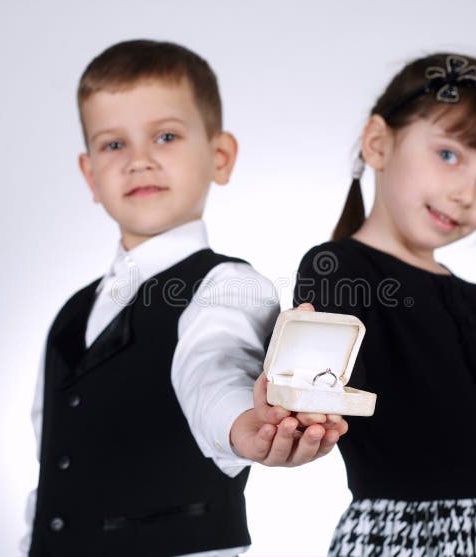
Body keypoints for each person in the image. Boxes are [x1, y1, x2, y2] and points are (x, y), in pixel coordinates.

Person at [23, 39, 346, 557]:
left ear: (220, 157)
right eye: (113, 145)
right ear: (90, 175)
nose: (139, 161)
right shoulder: (70, 316)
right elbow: (56, 464)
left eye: (166, 136)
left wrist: (244, 425)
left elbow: (213, 371)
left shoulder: (227, 287)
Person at [293, 53, 476, 556]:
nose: (467, 192)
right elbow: (309, 394)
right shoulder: (339, 270)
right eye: (449, 155)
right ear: (378, 143)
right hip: (408, 537)